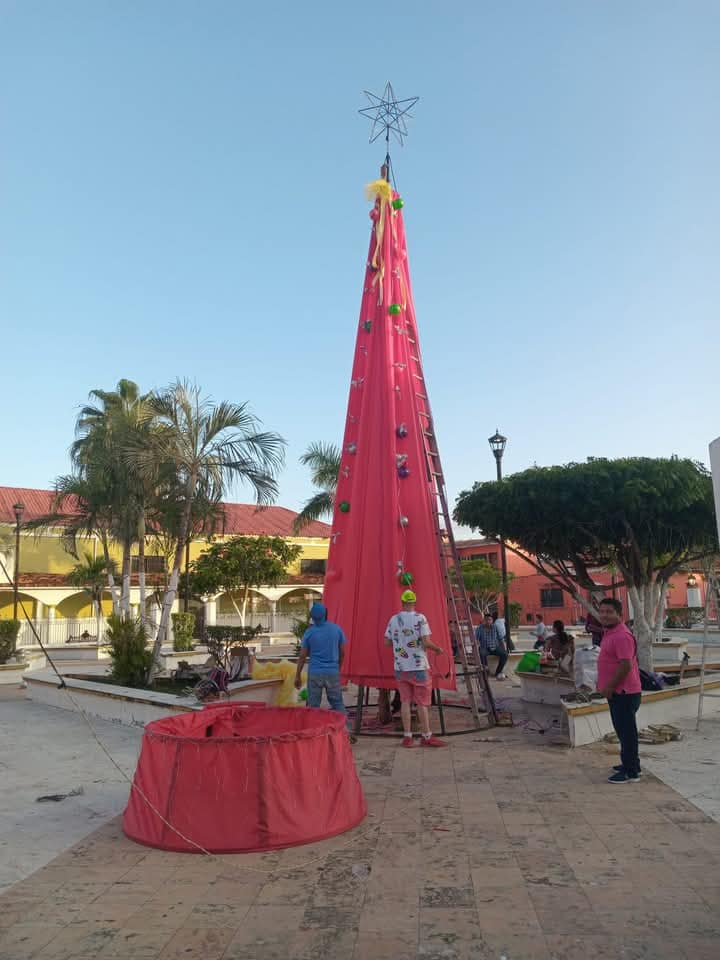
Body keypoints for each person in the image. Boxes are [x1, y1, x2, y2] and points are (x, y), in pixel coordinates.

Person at [384, 590, 447, 748]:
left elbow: (387, 642)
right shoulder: (420, 618)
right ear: (414, 602)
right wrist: (438, 649)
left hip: (400, 667)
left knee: (405, 701)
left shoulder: (393, 619)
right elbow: (426, 642)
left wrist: (401, 644)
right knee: (422, 703)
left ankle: (407, 736)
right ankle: (426, 736)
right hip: (418, 667)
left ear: (402, 602)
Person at [597, 598, 642, 784]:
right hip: (617, 693)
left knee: (627, 733)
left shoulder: (622, 635)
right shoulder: (610, 632)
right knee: (623, 731)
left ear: (619, 614)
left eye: (609, 612)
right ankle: (630, 764)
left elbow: (625, 665)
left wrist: (609, 686)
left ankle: (631, 772)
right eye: (602, 611)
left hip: (624, 692)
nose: (605, 615)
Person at [294, 603, 349, 723]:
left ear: (312, 617)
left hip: (315, 673)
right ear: (326, 614)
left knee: (313, 706)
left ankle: (313, 732)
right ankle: (346, 732)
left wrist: (297, 675)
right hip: (332, 672)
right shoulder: (336, 629)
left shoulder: (309, 633)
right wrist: (338, 668)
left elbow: (302, 656)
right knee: (337, 704)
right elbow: (343, 652)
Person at [476, 613, 508, 680]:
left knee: (504, 654)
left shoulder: (495, 627)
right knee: (482, 654)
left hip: (495, 647)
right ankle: (486, 671)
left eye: (490, 620)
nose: (488, 621)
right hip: (484, 647)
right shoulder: (479, 628)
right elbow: (476, 640)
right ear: (484, 620)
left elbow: (500, 638)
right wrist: (476, 649)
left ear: (492, 620)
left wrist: (504, 648)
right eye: (486, 620)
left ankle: (498, 672)